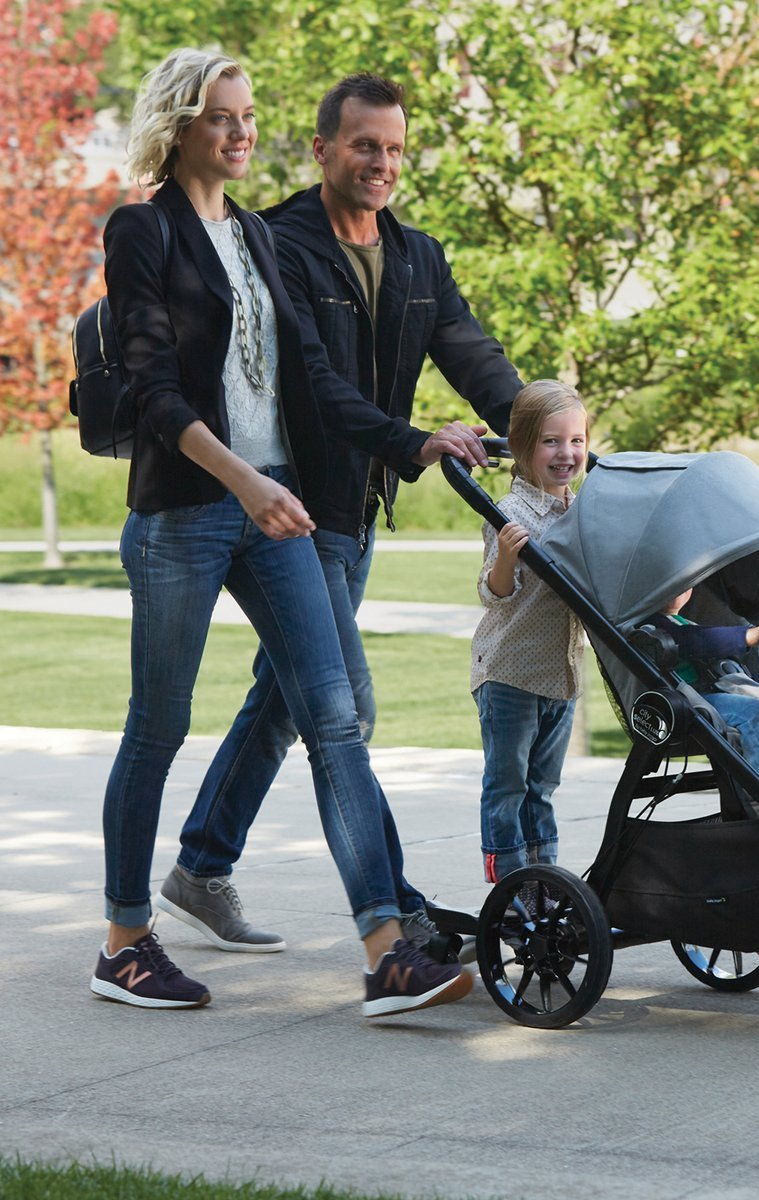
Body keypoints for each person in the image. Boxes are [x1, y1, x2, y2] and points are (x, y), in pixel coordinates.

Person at [90, 48, 472, 1018]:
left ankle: (387, 951)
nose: (241, 132)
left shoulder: (257, 235)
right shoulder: (142, 230)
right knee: (158, 726)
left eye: (247, 115)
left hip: (275, 508)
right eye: (222, 116)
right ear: (181, 125)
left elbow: (311, 376)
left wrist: (410, 442)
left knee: (334, 716)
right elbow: (153, 388)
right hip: (185, 512)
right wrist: (245, 480)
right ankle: (125, 942)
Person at [160, 71, 522, 953]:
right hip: (294, 508)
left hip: (356, 515)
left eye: (394, 148)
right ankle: (396, 914)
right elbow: (314, 386)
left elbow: (470, 352)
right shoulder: (277, 245)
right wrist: (412, 441)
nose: (381, 162)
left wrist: (543, 428)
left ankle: (201, 866)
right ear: (323, 149)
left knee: (287, 698)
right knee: (342, 707)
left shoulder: (416, 256)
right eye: (364, 145)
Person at [470, 381, 589, 882]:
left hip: (562, 674)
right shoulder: (508, 515)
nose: (567, 453)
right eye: (551, 441)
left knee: (542, 786)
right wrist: (506, 556)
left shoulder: (584, 511)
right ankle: (510, 886)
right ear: (521, 446)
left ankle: (544, 882)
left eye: (577, 440)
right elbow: (493, 593)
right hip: (510, 674)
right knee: (508, 786)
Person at [645, 591, 759, 795]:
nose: (680, 591)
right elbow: (694, 641)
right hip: (691, 700)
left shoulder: (681, 622)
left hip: (719, 689)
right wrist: (745, 636)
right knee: (751, 712)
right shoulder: (651, 625)